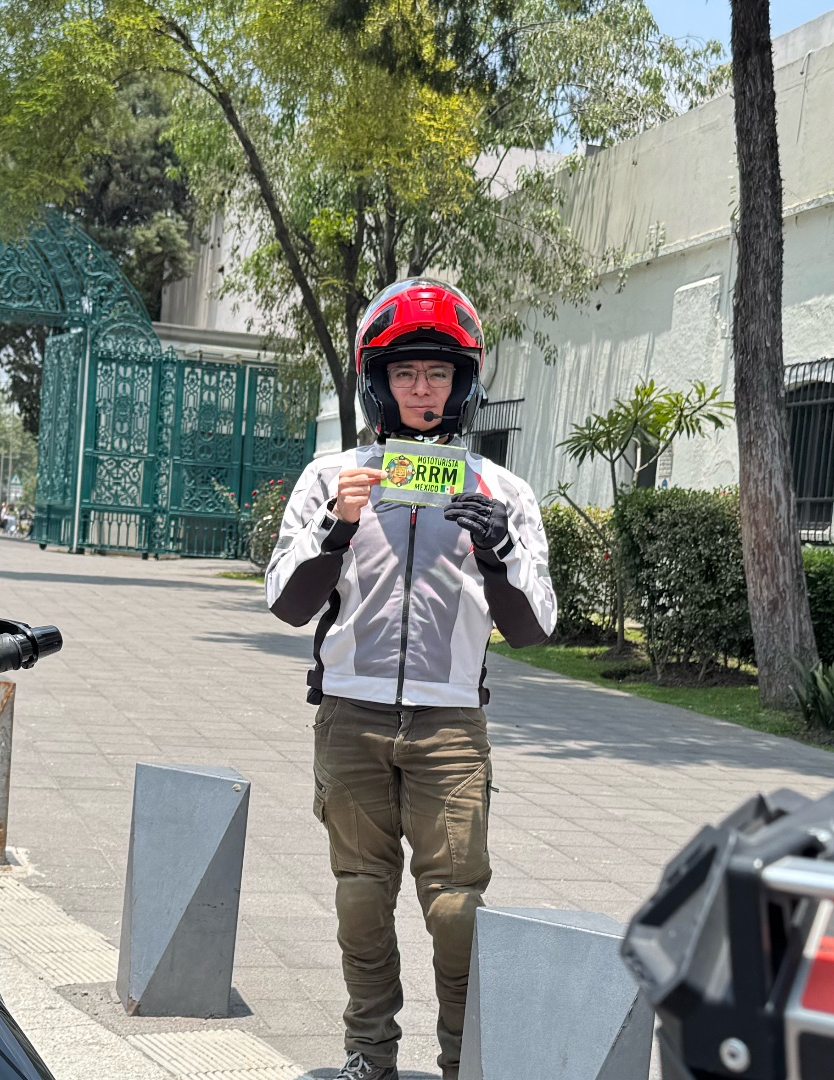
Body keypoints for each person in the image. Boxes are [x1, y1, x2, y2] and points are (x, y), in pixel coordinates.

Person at [265, 279, 556, 1080]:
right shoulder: (331, 479)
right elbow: (288, 604)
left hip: (449, 726)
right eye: (405, 373)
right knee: (360, 897)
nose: (422, 389)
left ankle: (466, 1060)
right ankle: (369, 1053)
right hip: (350, 718)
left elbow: (534, 627)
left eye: (438, 373)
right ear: (378, 382)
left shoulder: (503, 492)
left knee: (457, 910)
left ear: (463, 383)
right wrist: (337, 527)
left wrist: (498, 550)